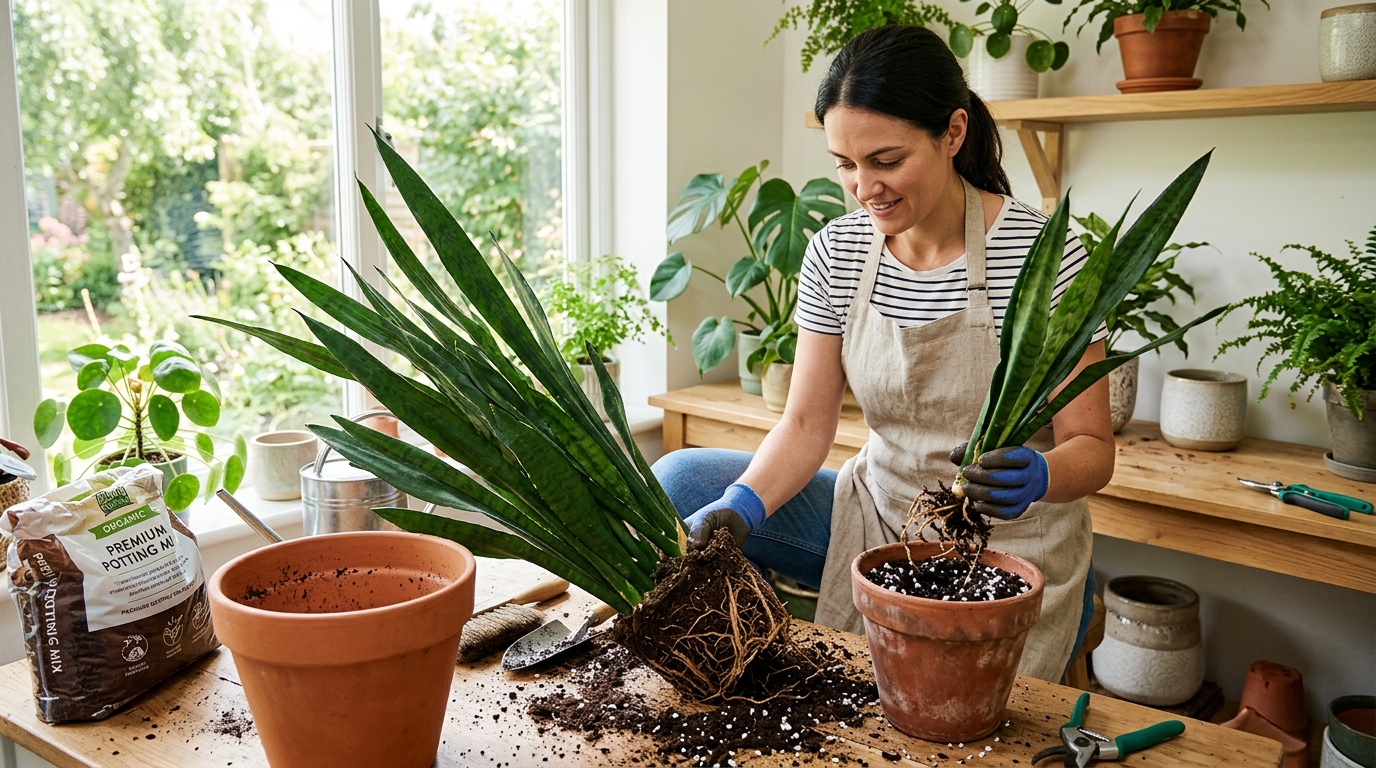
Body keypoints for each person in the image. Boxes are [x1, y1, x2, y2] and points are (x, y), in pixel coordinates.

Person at [651, 24, 1115, 682]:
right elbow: (808, 424)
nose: (863, 187)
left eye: (886, 160)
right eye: (844, 164)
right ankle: (748, 665)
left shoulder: (1047, 256)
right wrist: (742, 507)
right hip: (878, 515)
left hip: (1007, 543)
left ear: (952, 133)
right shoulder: (837, 253)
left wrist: (1040, 475)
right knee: (681, 482)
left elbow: (1093, 448)